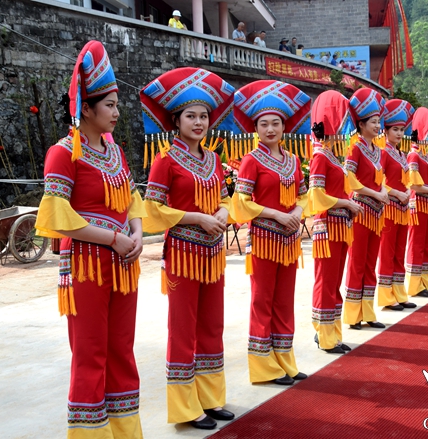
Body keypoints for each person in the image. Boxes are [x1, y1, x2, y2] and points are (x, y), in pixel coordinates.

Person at [35, 40, 145, 439]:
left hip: (123, 262)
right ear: (87, 108)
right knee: (90, 353)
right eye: (109, 105)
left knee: (122, 350)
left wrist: (136, 232)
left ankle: (125, 432)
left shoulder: (115, 152)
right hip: (86, 264)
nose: (116, 113)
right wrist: (114, 238)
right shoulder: (63, 153)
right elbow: (58, 218)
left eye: (117, 105)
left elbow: (131, 198)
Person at [140, 68, 236, 430]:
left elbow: (226, 198)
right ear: (176, 121)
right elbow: (153, 209)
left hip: (213, 254)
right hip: (182, 255)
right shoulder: (164, 160)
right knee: (182, 328)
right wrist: (197, 218)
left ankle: (210, 398)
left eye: (204, 116)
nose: (198, 123)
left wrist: (223, 212)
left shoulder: (214, 159)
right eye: (190, 116)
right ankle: (185, 407)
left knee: (212, 325)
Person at [232, 80, 311, 385]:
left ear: (284, 126)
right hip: (264, 240)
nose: (270, 129)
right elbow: (241, 201)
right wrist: (277, 213)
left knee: (284, 301)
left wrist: (297, 213)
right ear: (255, 128)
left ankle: (285, 361)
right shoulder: (251, 160)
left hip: (289, 240)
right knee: (262, 301)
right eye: (263, 124)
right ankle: (263, 366)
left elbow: (304, 195)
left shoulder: (293, 160)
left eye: (275, 123)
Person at [308, 90, 363, 354]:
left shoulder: (332, 156)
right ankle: (324, 334)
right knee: (326, 281)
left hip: (340, 226)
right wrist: (347, 203)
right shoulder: (320, 157)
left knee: (334, 282)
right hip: (328, 226)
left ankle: (331, 333)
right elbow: (316, 195)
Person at [343, 88, 388, 329]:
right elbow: (349, 178)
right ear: (361, 124)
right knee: (357, 262)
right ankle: (353, 315)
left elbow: (381, 178)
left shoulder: (378, 151)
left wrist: (385, 191)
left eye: (379, 121)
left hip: (377, 212)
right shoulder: (355, 148)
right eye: (373, 122)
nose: (378, 126)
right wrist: (375, 193)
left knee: (371, 262)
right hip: (361, 211)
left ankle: (368, 312)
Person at [376, 99, 418, 310]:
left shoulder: (402, 154)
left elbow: (407, 179)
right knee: (387, 250)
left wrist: (408, 191)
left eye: (402, 130)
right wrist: (397, 193)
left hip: (403, 206)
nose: (400, 133)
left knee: (400, 250)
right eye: (395, 129)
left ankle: (400, 293)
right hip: (390, 207)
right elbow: (378, 182)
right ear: (386, 131)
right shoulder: (382, 152)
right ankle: (386, 296)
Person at [404, 107, 428, 298]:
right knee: (417, 244)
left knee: (427, 244)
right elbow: (414, 184)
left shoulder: (425, 155)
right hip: (418, 204)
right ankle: (414, 285)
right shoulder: (414, 155)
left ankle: (425, 281)